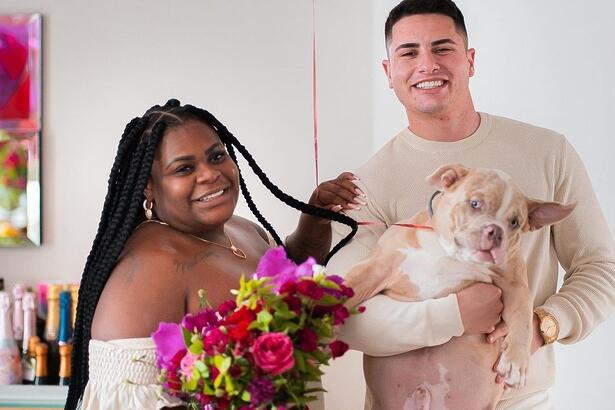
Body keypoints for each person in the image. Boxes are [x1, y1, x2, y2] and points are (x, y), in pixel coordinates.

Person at [327, 0, 615, 409]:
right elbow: (343, 318)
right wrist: (455, 315)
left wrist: (540, 326)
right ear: (389, 73)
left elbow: (601, 267)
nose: (427, 64)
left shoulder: (548, 151)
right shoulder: (367, 184)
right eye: (409, 52)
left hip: (514, 399)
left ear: (470, 60)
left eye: (442, 48)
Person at [64, 99, 361, 410]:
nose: (210, 174)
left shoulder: (243, 229)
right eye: (184, 168)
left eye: (217, 156)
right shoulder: (151, 264)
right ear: (149, 187)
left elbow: (288, 286)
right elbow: (124, 395)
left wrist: (315, 218)